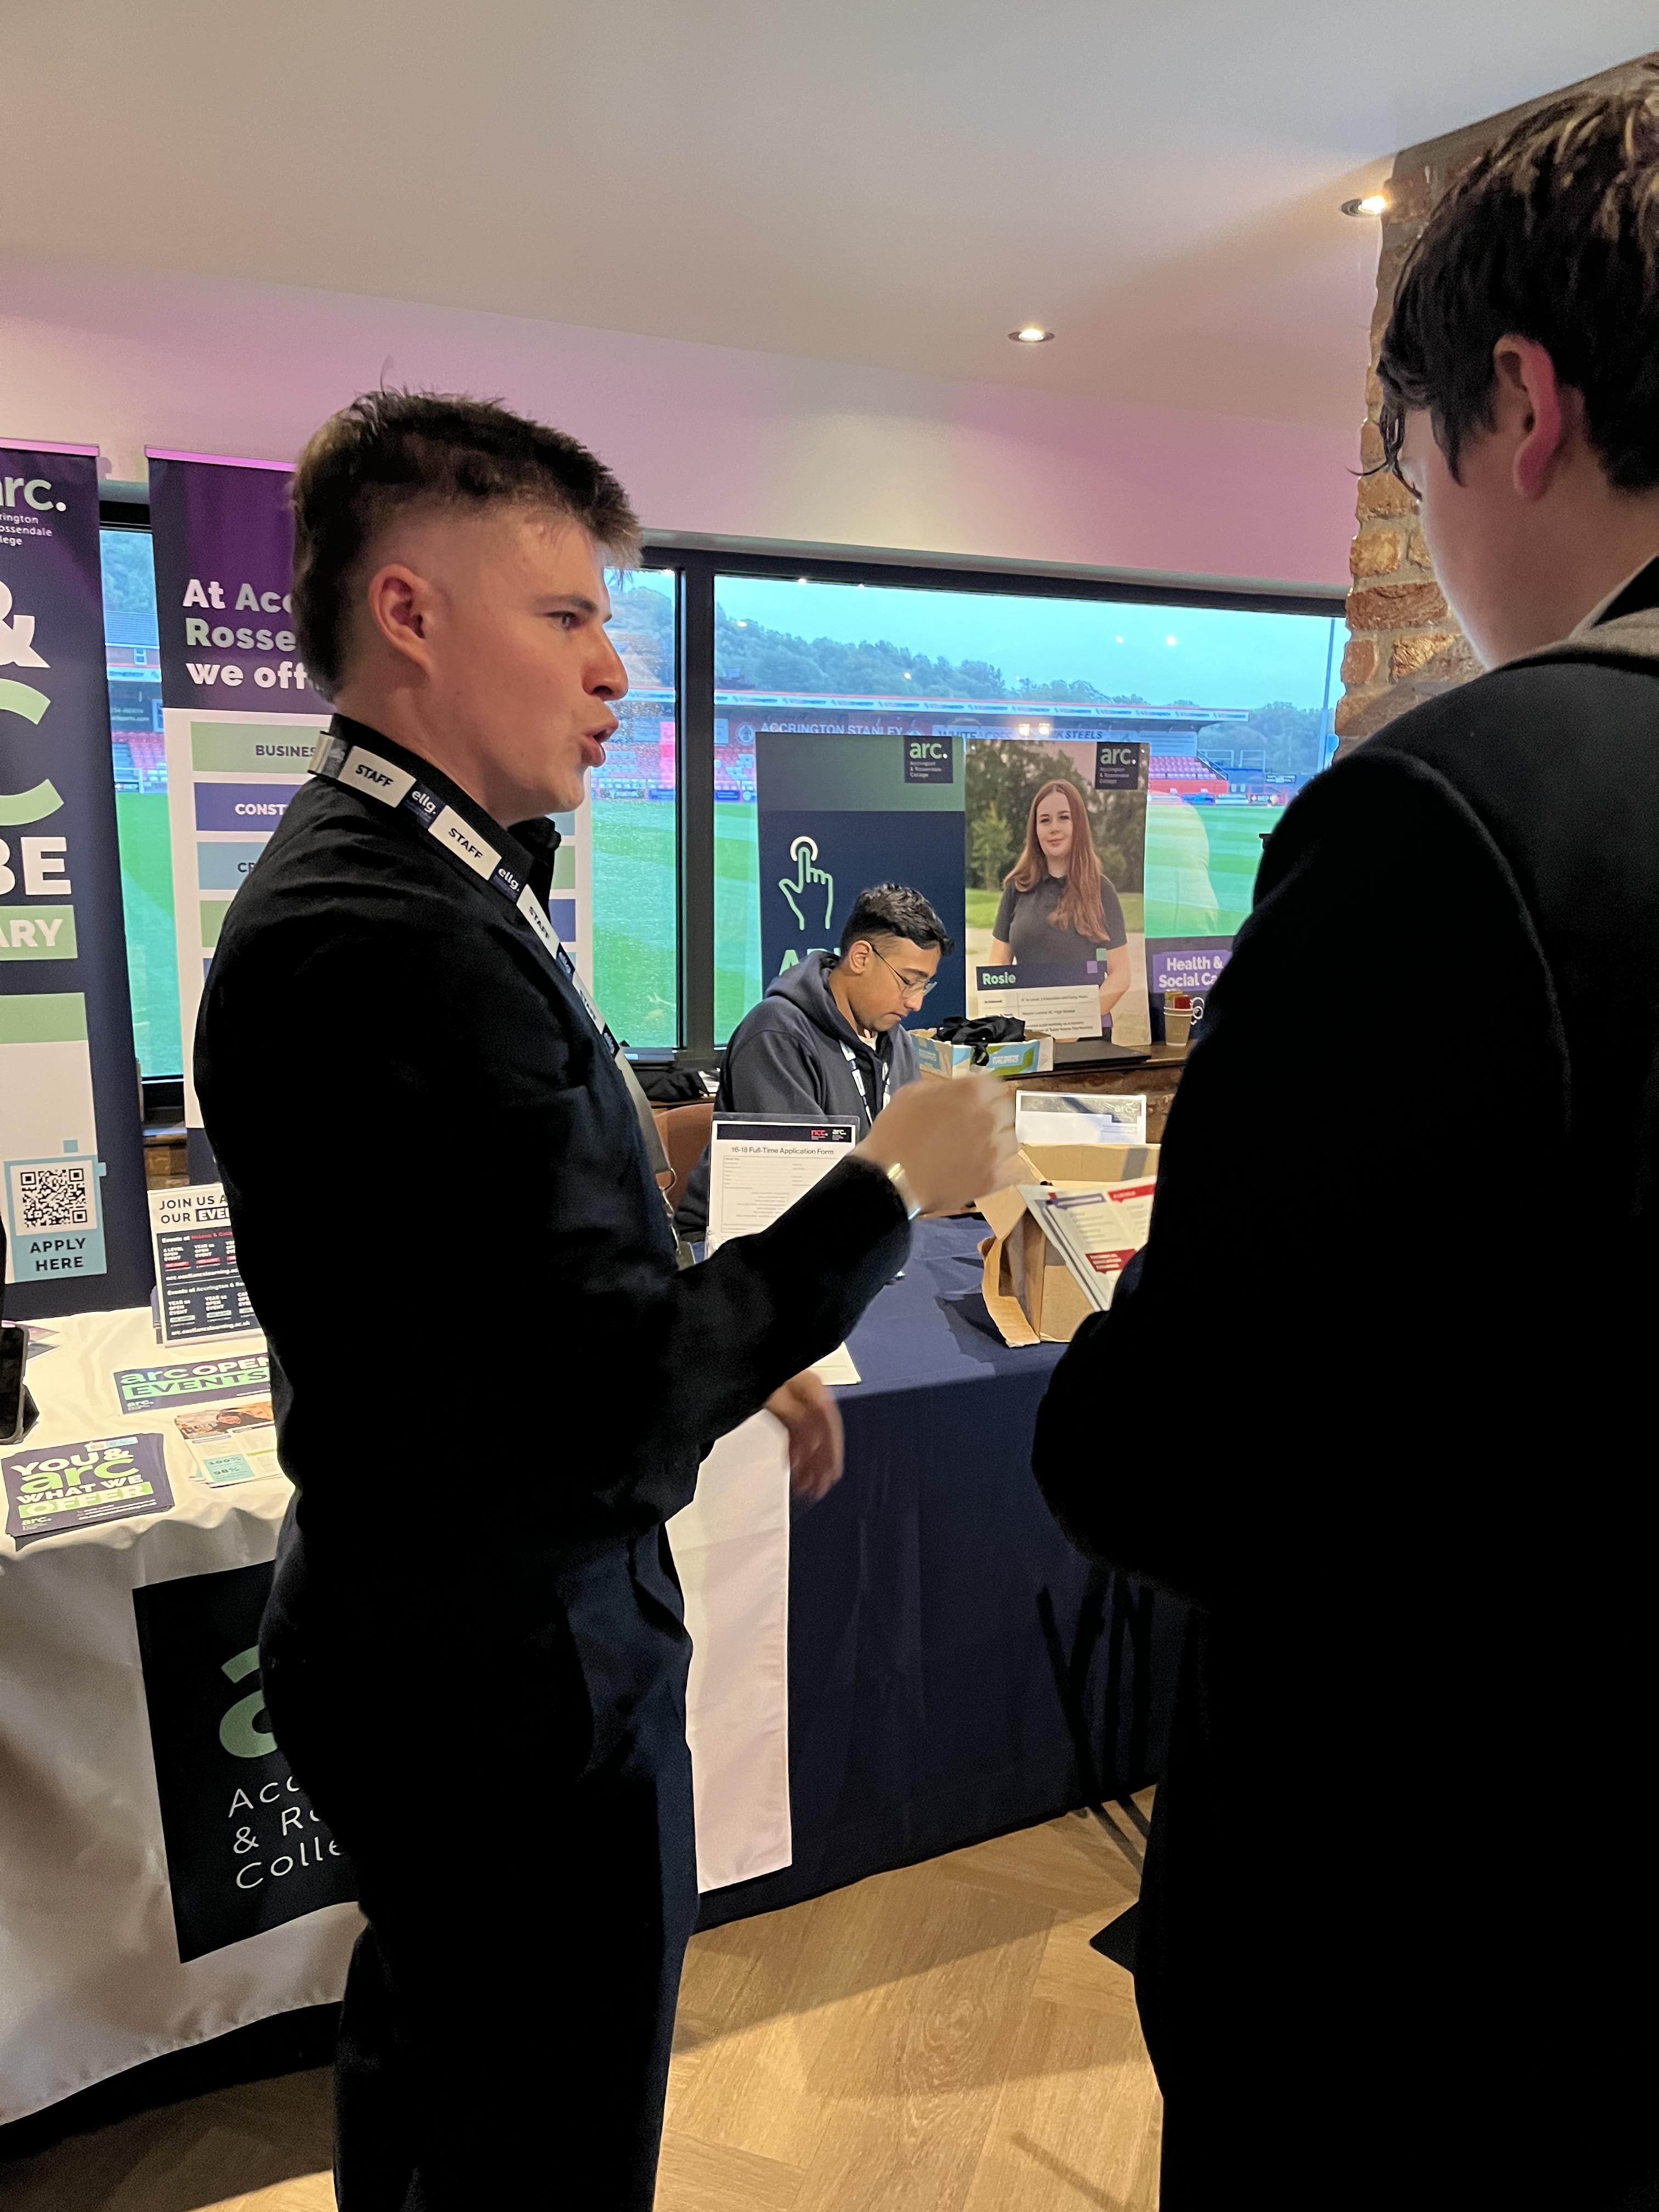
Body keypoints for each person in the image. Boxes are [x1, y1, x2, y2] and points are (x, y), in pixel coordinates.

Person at [194, 391, 1015, 2212]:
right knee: (542, 2144)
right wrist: (887, 1186)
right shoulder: (385, 937)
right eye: (565, 614)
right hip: (506, 1686)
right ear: (408, 613)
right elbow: (598, 1408)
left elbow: (507, 1283)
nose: (614, 672)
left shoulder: (422, 882)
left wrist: (720, 1324)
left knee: (444, 2074)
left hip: (450, 1648)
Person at [1031, 73, 1659, 2210]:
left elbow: (1170, 1452)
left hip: (1432, 1971)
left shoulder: (1460, 807)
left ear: (1520, 406)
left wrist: (1108, 1357)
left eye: (1408, 457)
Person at [675, 881, 950, 1237]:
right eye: (909, 981)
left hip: (855, 1236)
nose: (916, 1003)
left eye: (925, 985)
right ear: (862, 957)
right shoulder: (776, 1035)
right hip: (747, 1246)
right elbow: (802, 1190)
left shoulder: (896, 1040)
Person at [989, 777, 1130, 1029]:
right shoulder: (1016, 888)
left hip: (1086, 1037)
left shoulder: (1102, 890)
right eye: (1045, 820)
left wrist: (1076, 1023)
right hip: (1029, 1034)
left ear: (1079, 824)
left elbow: (1121, 975)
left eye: (1064, 818)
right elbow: (998, 966)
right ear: (1035, 830)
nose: (1054, 828)